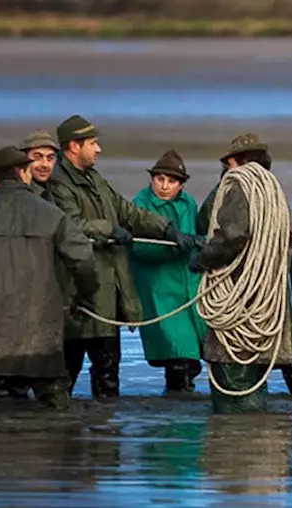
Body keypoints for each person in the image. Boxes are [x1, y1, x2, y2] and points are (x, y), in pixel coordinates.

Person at [47, 114, 197, 399]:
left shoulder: (95, 179)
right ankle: (57, 435)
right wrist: (110, 230)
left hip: (107, 293)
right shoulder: (58, 184)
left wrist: (167, 230)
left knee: (108, 372)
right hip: (77, 293)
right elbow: (70, 223)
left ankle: (105, 436)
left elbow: (129, 211)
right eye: (92, 143)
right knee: (65, 372)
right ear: (73, 146)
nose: (98, 149)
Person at [0, 146, 98, 411]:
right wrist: (86, 293)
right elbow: (82, 259)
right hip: (38, 335)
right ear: (23, 172)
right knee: (56, 408)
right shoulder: (50, 213)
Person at [201, 135, 292, 397]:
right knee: (255, 382)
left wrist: (204, 258)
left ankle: (238, 430)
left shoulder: (239, 188)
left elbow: (231, 238)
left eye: (228, 163)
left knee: (235, 387)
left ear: (239, 161)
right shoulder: (276, 195)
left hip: (238, 305)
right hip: (267, 306)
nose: (225, 169)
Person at [129, 149, 208, 393]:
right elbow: (137, 247)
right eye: (159, 179)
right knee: (176, 350)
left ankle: (179, 402)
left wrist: (197, 249)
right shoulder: (140, 205)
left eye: (171, 181)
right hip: (159, 289)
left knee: (192, 355)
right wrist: (173, 249)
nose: (164, 186)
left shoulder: (189, 204)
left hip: (189, 288)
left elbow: (197, 236)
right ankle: (178, 403)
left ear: (181, 185)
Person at [20, 129, 60, 200]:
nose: (45, 164)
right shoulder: (14, 192)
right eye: (37, 157)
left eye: (50, 158)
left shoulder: (57, 189)